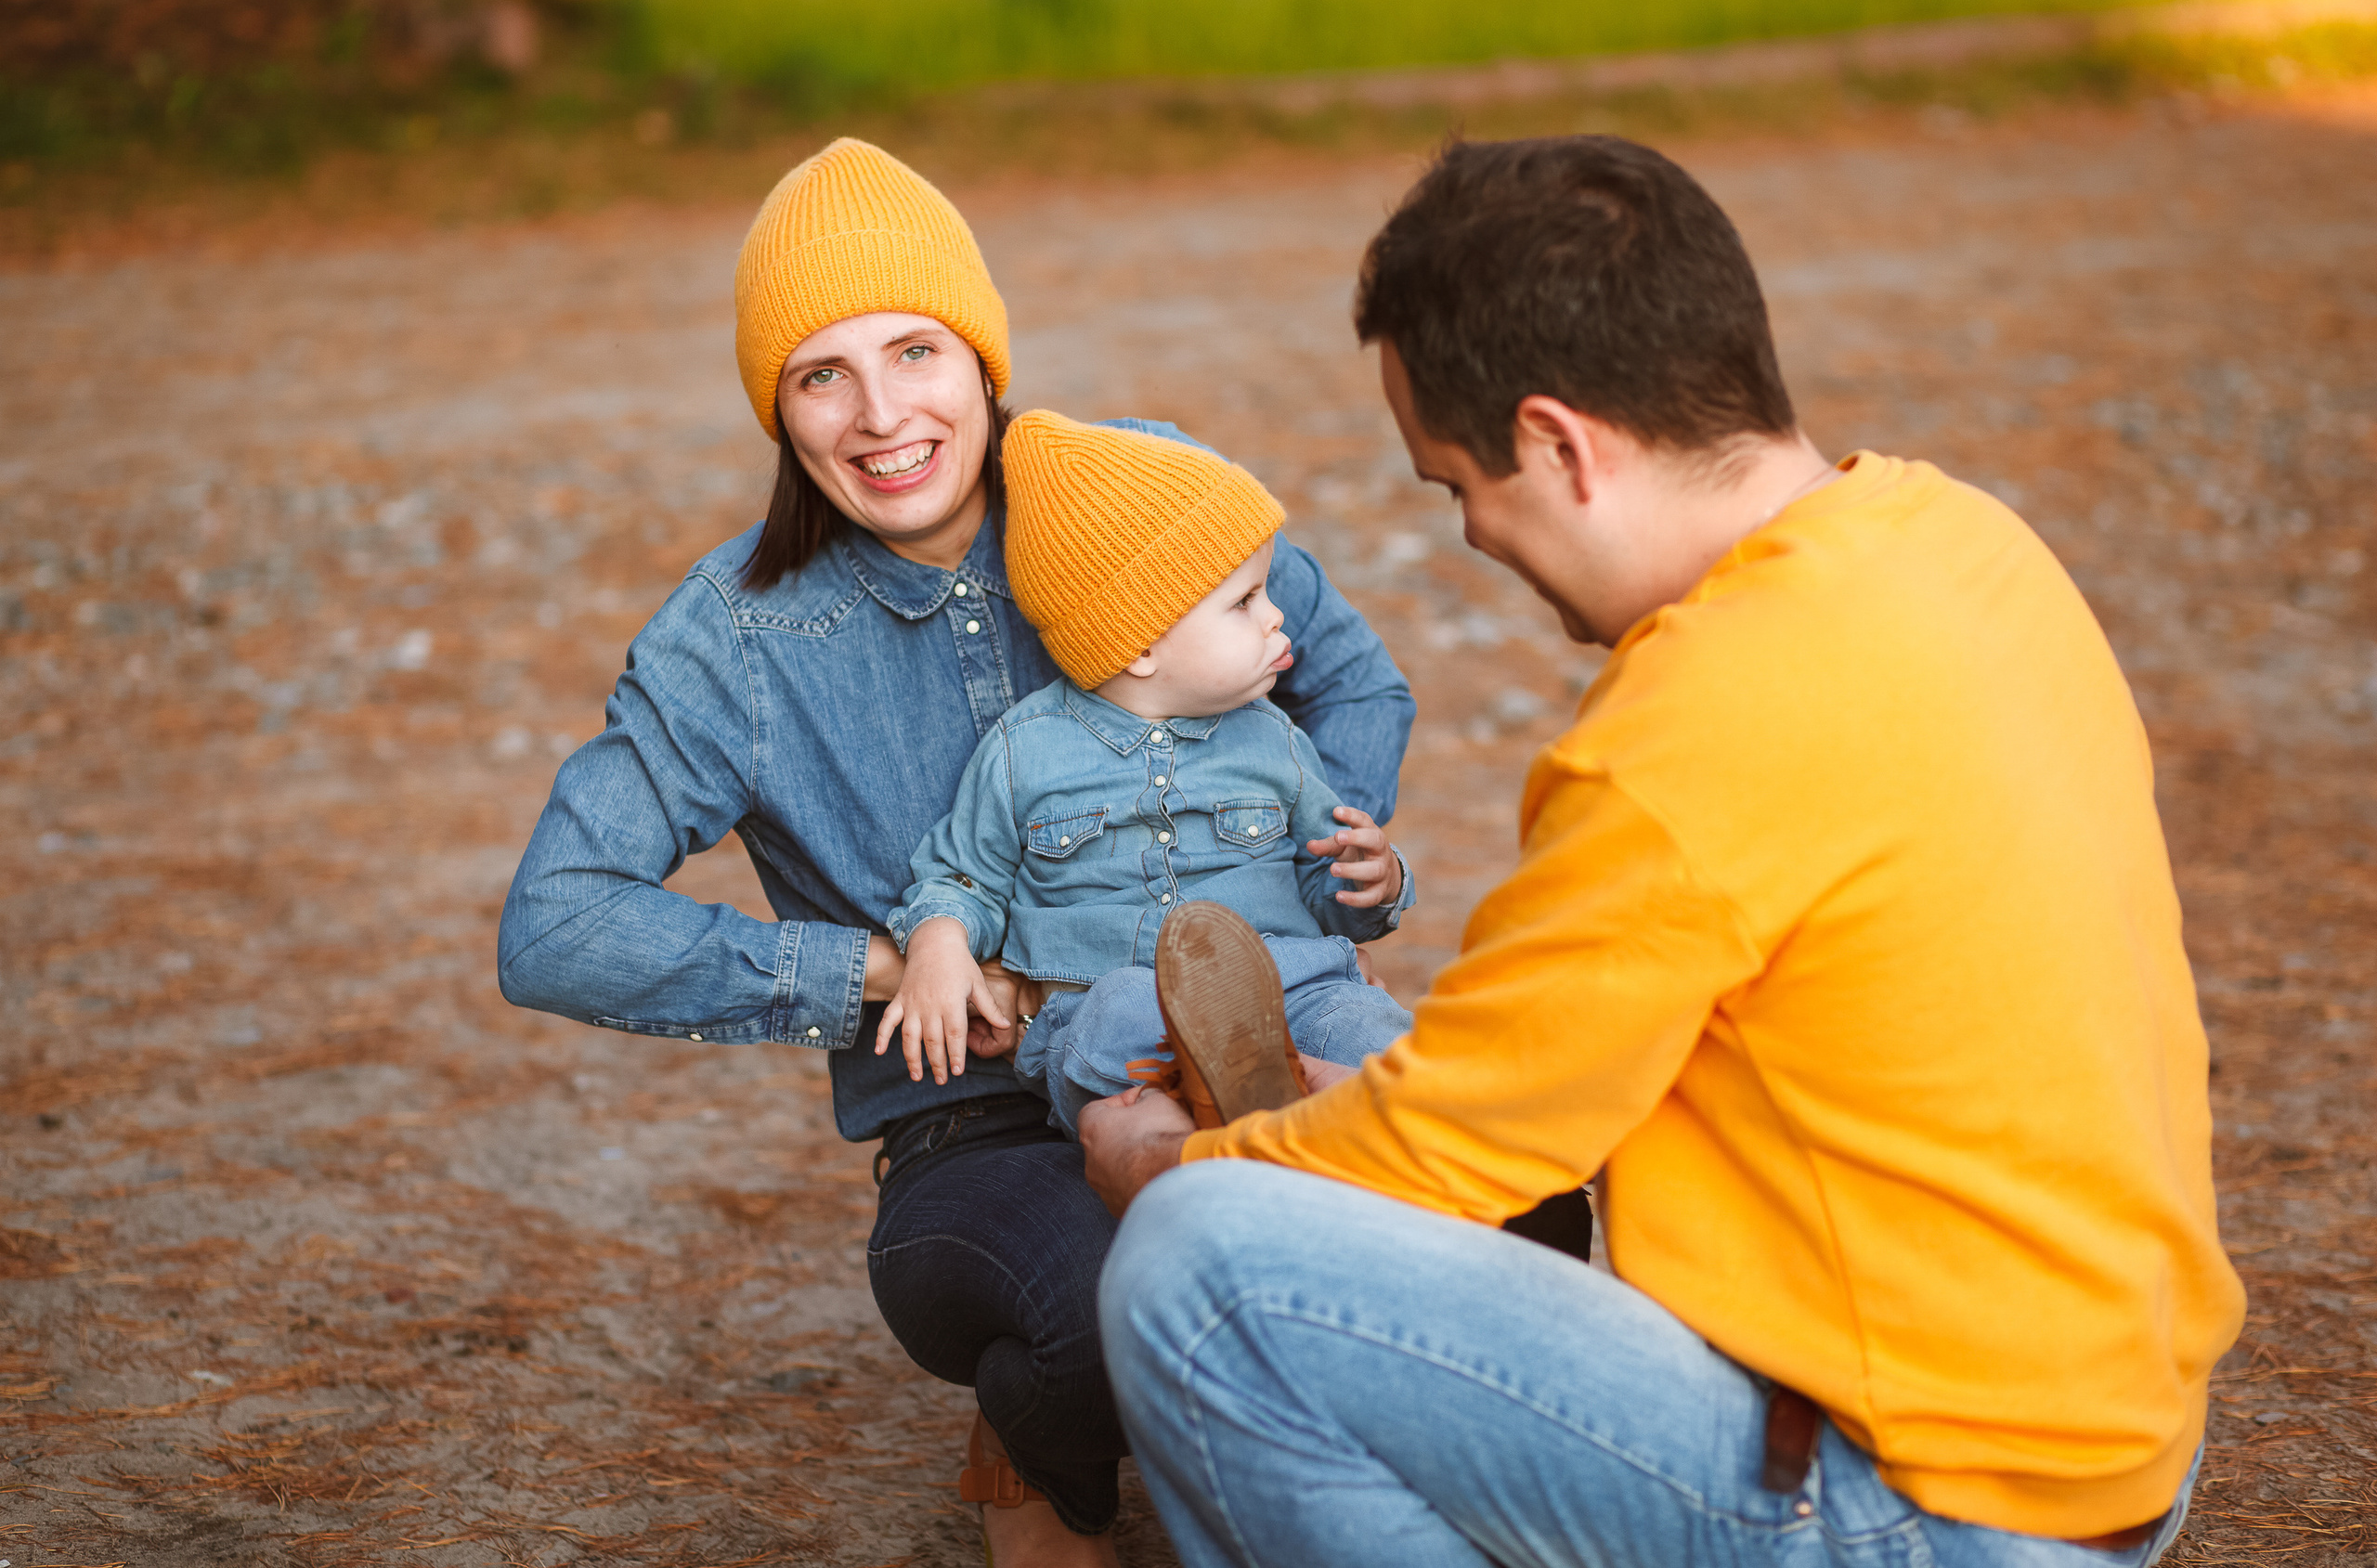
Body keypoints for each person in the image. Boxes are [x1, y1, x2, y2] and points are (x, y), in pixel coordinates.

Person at [1083, 134, 2245, 1567]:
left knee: (1195, 1266)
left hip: (1929, 1503)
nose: (1474, 535)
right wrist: (1360, 1109)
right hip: (2104, 1445)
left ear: (1562, 444)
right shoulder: (1964, 545)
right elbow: (1577, 1072)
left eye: (1457, 485)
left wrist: (1185, 1160)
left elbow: (1453, 1151)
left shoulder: (1687, 728)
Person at [495, 136, 1419, 1565]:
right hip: (976, 1121)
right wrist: (881, 969)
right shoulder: (735, 637)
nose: (882, 416)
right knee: (1119, 1299)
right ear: (778, 407)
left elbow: (1351, 681)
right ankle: (1036, 1449)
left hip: (1250, 1027)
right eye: (822, 374)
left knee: (1498, 1203)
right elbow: (555, 922)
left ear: (982, 356)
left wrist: (1296, 875)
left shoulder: (1139, 489)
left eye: (916, 350)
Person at [878, 409, 1416, 1134]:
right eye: (1244, 601)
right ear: (1138, 645)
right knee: (1109, 1024)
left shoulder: (1275, 741)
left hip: (1287, 984)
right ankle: (1232, 1115)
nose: (1275, 616)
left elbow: (1324, 884)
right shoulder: (1024, 751)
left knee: (1368, 1027)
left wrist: (1375, 880)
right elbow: (963, 875)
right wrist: (939, 941)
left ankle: (1327, 1114)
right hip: (1115, 994)